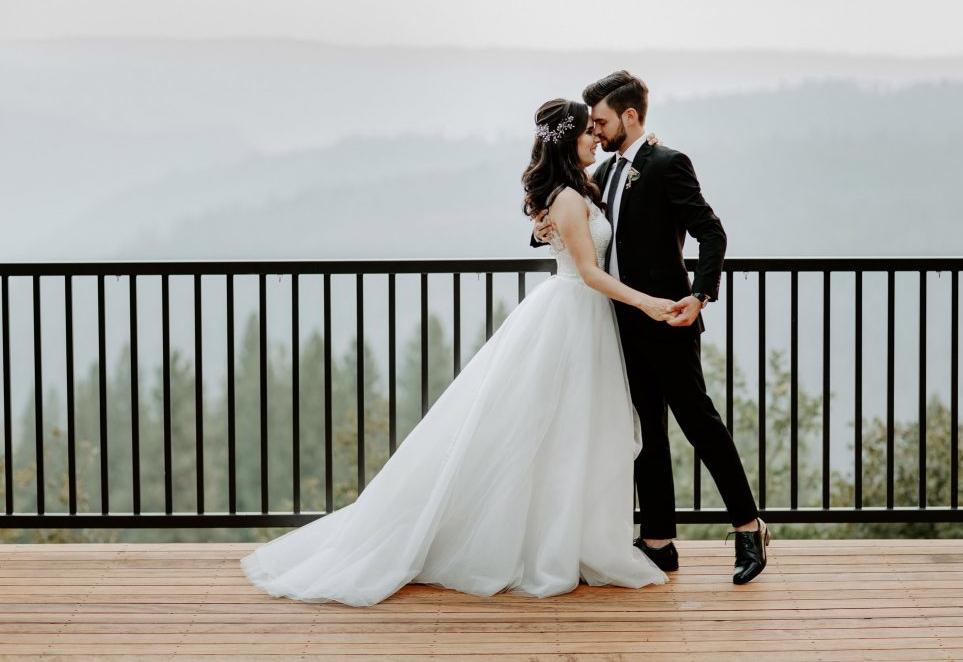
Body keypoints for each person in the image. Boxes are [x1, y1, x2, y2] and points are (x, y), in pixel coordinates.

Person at [240, 97, 674, 606]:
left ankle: (568, 539)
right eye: (587, 134)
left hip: (582, 317)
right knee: (562, 429)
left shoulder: (576, 192)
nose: (595, 140)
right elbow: (589, 269)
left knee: (573, 432)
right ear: (567, 141)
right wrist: (647, 302)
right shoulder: (569, 199)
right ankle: (551, 545)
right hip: (574, 314)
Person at [532, 71, 770, 584]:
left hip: (668, 318)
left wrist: (700, 295)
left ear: (631, 116)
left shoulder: (667, 163)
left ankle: (749, 529)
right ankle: (659, 540)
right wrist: (542, 226)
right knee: (646, 433)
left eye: (602, 121)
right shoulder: (603, 173)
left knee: (700, 425)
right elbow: (577, 229)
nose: (594, 132)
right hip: (617, 323)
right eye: (590, 125)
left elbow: (711, 232)